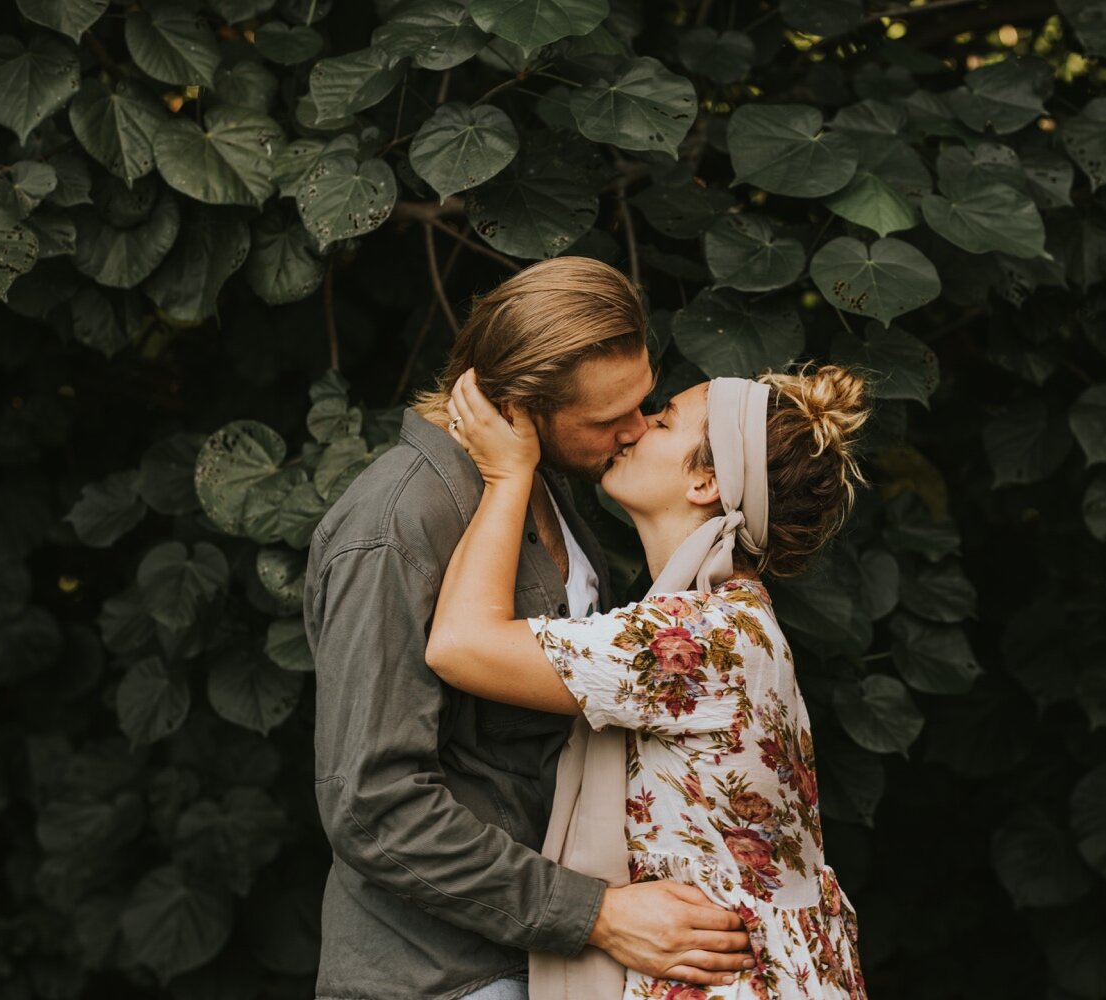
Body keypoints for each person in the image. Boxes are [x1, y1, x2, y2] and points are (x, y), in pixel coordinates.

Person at [304, 257, 753, 1000]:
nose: (636, 432)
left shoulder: (543, 488)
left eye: (643, 404)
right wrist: (595, 915)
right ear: (517, 405)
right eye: (610, 420)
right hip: (441, 973)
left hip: (541, 964)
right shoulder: (397, 525)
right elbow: (373, 805)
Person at [426, 362, 871, 999]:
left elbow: (461, 645)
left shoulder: (699, 639)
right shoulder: (736, 621)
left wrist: (506, 476)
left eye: (661, 421)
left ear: (705, 482)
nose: (633, 430)